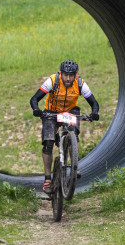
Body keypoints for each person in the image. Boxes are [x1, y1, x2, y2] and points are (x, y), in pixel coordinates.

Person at [29, 60, 99, 194]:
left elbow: (93, 102)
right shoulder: (52, 81)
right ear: (61, 74)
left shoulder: (80, 84)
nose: (68, 78)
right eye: (65, 75)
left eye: (71, 75)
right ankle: (47, 179)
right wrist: (36, 109)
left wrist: (94, 113)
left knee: (74, 134)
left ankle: (74, 166)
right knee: (48, 143)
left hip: (70, 111)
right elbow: (34, 99)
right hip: (51, 112)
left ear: (75, 75)